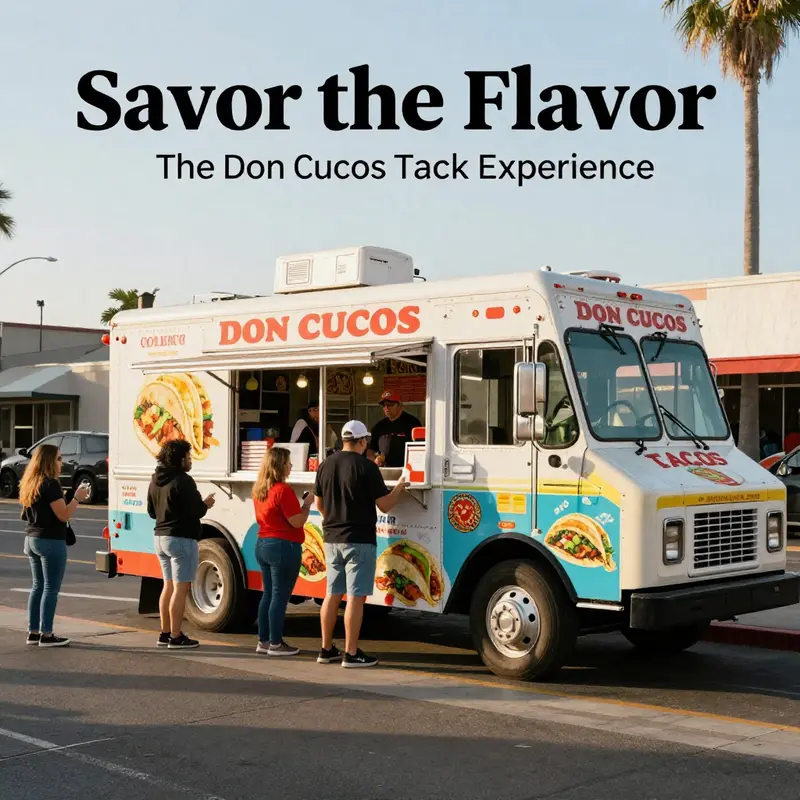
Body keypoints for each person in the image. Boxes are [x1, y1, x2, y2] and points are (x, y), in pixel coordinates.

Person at [314, 420, 407, 668]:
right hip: (359, 539)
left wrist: (334, 521)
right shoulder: (366, 467)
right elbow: (385, 505)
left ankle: (325, 649)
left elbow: (319, 505)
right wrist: (399, 487)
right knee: (355, 598)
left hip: (331, 538)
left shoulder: (325, 465)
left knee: (332, 594)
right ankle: (351, 653)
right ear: (363, 441)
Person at [19, 444, 90, 647]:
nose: (62, 462)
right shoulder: (50, 484)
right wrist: (77, 498)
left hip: (31, 539)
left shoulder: (30, 482)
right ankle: (47, 635)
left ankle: (33, 632)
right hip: (50, 541)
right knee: (50, 589)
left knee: (37, 587)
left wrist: (66, 498)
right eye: (59, 459)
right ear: (49, 461)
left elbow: (34, 512)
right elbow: (63, 515)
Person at [147, 439, 215, 650]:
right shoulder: (184, 481)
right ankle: (176, 636)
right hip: (181, 539)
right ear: (180, 458)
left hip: (160, 538)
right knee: (181, 588)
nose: (190, 460)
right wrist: (207, 503)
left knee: (168, 586)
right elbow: (198, 511)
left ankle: (165, 633)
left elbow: (151, 511)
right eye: (189, 456)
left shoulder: (155, 479)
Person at [252, 447, 313, 656]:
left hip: (263, 543)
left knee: (268, 594)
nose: (291, 466)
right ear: (279, 466)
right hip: (283, 545)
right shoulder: (282, 490)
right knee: (279, 596)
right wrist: (307, 504)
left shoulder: (260, 489)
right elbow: (296, 521)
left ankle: (264, 641)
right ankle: (276, 643)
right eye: (288, 462)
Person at [367, 391, 422, 468]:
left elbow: (420, 448)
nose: (386, 408)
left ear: (400, 405)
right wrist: (375, 461)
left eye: (390, 405)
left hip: (407, 469)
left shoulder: (412, 423)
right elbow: (371, 449)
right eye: (384, 405)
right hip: (385, 469)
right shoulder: (379, 426)